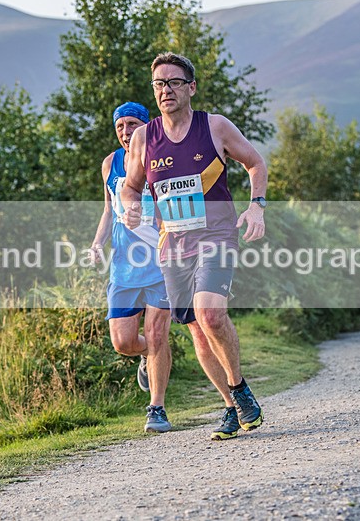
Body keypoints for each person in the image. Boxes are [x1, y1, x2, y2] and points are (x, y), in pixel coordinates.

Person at [121, 53, 268, 440]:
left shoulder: (215, 127)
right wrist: (130, 209)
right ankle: (231, 405)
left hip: (217, 235)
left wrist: (256, 207)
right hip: (172, 246)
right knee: (198, 333)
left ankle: (240, 389)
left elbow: (255, 164)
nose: (165, 90)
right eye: (158, 84)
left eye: (173, 82)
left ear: (191, 87)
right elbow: (132, 186)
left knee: (211, 314)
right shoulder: (143, 138)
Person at [89, 101, 173, 433]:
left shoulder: (161, 157)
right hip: (124, 266)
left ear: (146, 125)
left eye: (132, 124)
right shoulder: (110, 164)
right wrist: (98, 242)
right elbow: (109, 211)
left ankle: (157, 408)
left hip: (161, 261)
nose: (126, 131)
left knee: (156, 334)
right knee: (124, 342)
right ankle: (150, 356)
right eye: (120, 125)